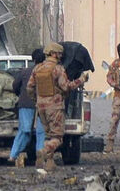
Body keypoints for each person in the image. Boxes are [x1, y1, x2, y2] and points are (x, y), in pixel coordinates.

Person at [30, 41, 86, 170]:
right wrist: (80, 80)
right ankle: (43, 151)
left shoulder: (37, 68)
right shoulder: (58, 69)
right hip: (55, 107)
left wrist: (37, 100)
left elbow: (29, 87)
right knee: (58, 138)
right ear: (54, 54)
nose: (61, 56)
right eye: (59, 54)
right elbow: (66, 87)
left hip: (41, 108)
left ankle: (49, 163)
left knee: (48, 135)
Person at [9, 49, 45, 167]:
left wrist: (20, 94)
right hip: (43, 105)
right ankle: (40, 156)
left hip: (26, 104)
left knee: (24, 131)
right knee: (41, 131)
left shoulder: (25, 72)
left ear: (33, 60)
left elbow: (15, 86)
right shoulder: (48, 72)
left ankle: (13, 155)